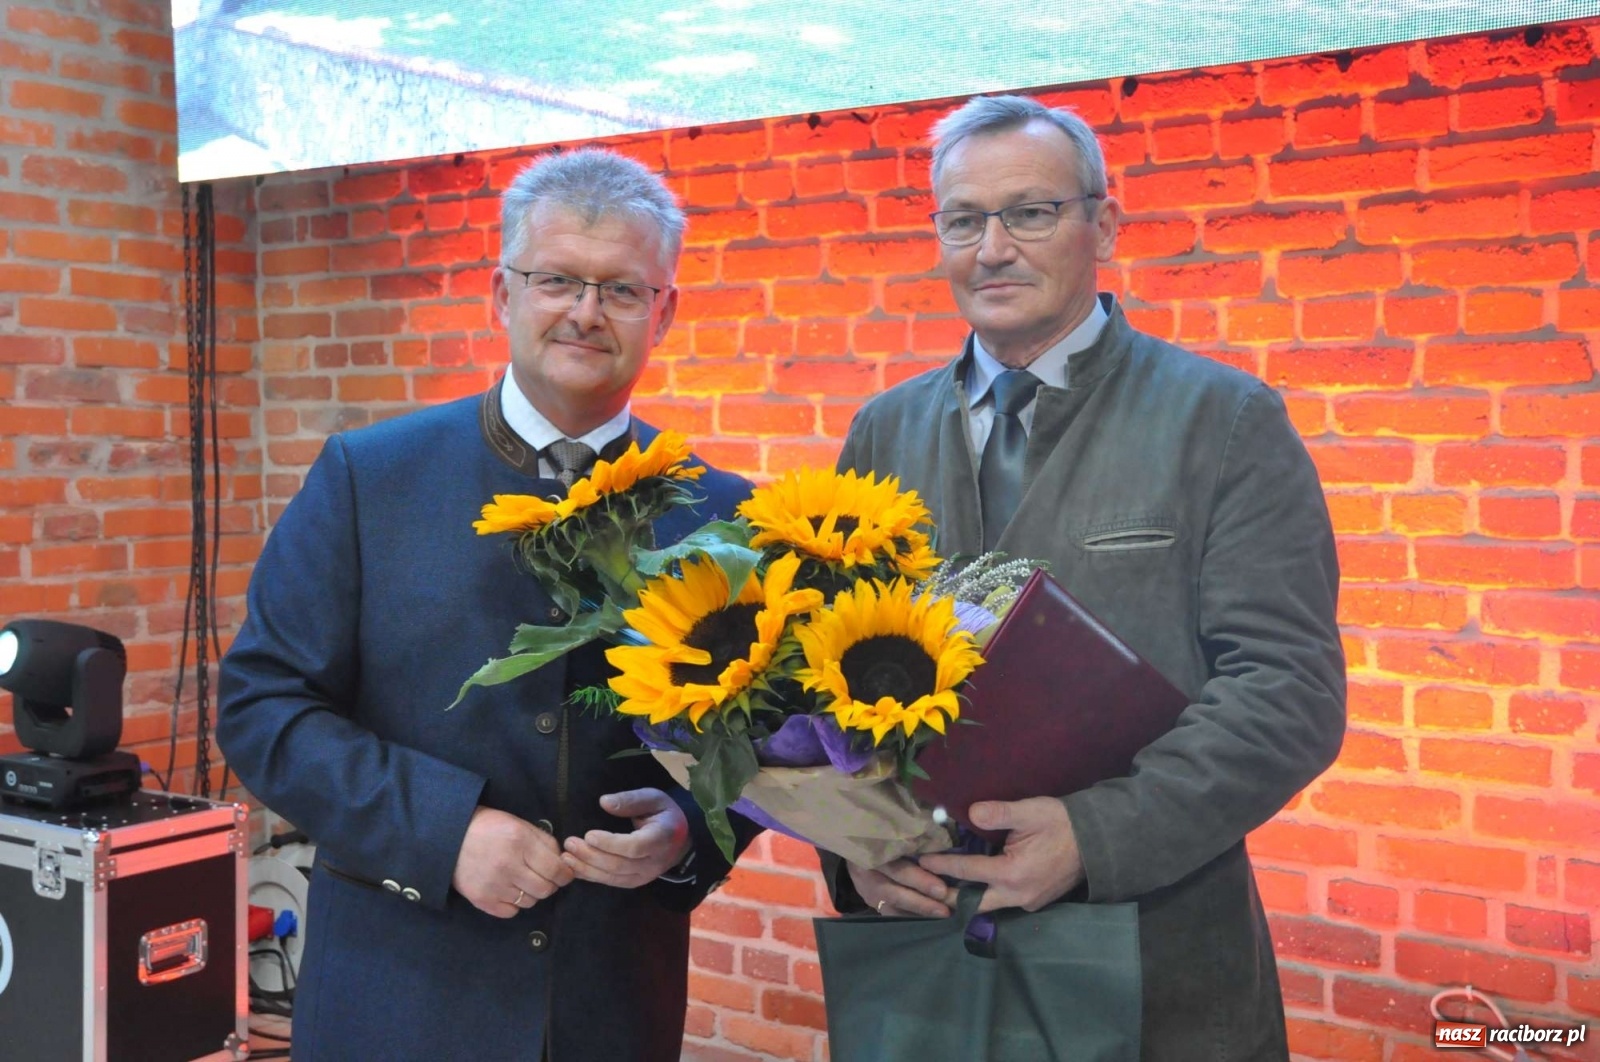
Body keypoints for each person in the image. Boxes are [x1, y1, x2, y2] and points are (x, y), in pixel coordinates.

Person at [827, 95, 1347, 1058]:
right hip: (931, 949)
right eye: (962, 220)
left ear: (1103, 224)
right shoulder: (881, 433)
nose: (992, 248)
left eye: (1029, 212)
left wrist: (1095, 837)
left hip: (1157, 956)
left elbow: (1289, 691)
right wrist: (853, 852)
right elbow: (824, 689)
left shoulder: (1223, 422)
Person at [219, 148, 757, 1062]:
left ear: (663, 312)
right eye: (556, 280)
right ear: (503, 295)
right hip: (398, 1002)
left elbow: (762, 739)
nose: (585, 313)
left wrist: (692, 829)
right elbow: (262, 707)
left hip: (614, 1007)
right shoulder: (368, 477)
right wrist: (444, 829)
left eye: (621, 290)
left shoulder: (725, 512)